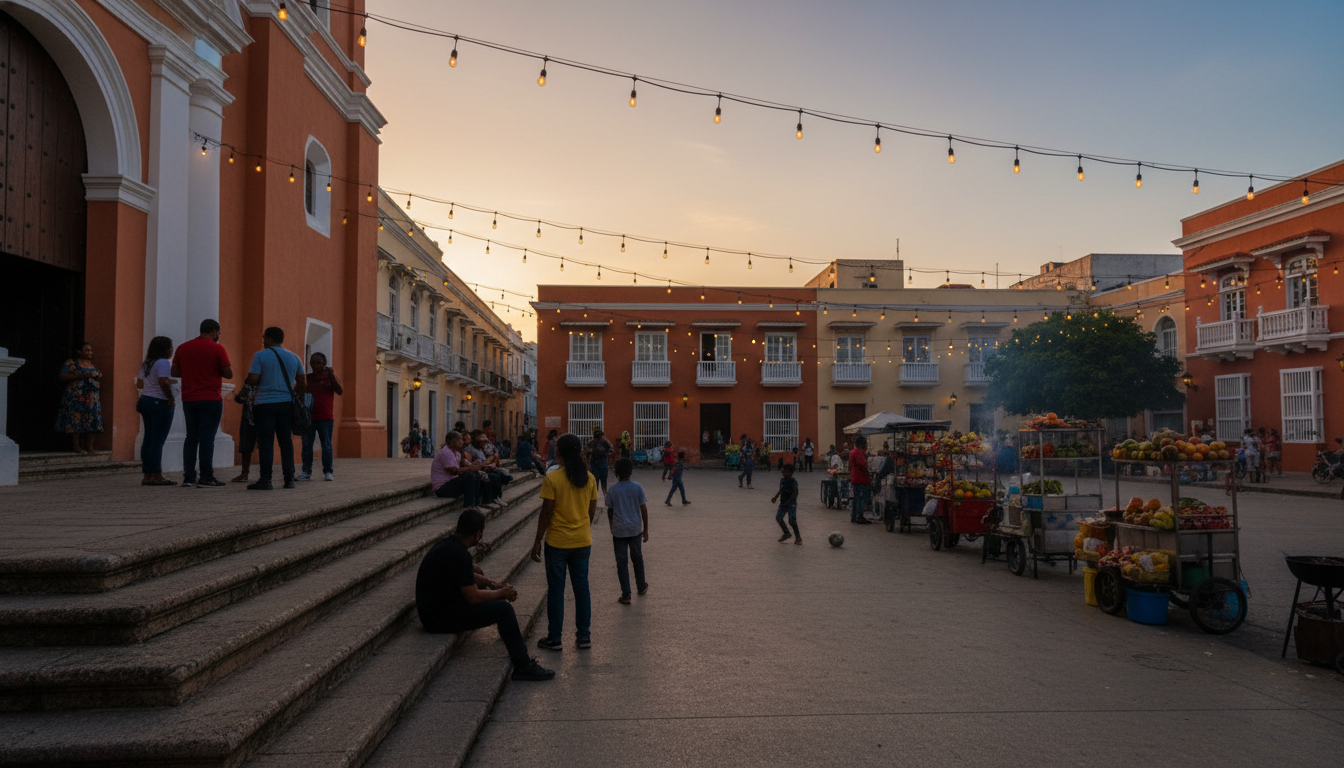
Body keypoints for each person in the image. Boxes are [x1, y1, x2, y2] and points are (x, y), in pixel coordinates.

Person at [416, 508, 555, 681]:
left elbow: (467, 574)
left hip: (434, 610)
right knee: (503, 610)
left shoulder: (448, 545)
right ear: (477, 534)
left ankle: (510, 637)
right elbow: (472, 597)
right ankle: (523, 666)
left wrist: (490, 583)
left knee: (493, 599)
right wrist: (500, 593)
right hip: (438, 619)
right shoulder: (459, 554)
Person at [531, 433, 599, 651]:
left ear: (558, 453)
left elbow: (546, 513)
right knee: (582, 589)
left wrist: (537, 541)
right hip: (582, 541)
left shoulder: (553, 479)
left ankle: (555, 638)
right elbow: (591, 511)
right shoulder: (589, 478)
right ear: (580, 451)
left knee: (556, 590)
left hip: (557, 543)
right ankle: (584, 636)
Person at [171, 319, 232, 488]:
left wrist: (192, 371)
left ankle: (189, 477)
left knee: (191, 437)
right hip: (211, 398)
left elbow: (174, 371)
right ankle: (206, 476)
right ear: (214, 331)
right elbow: (229, 373)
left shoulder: (183, 348)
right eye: (218, 333)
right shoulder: (218, 348)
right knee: (207, 438)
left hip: (189, 399)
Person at [244, 326, 305, 490]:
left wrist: (249, 382)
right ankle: (289, 479)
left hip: (264, 404)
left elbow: (253, 378)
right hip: (286, 404)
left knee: (266, 442)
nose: (263, 341)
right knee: (286, 441)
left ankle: (266, 479)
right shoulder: (295, 357)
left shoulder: (260, 355)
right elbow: (302, 383)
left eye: (264, 338)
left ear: (269, 339)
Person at [605, 458, 649, 605]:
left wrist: (612, 526)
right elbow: (643, 509)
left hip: (619, 531)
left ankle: (626, 594)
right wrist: (646, 528)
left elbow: (610, 511)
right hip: (635, 529)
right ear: (631, 471)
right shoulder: (637, 487)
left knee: (621, 562)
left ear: (616, 472)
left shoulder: (612, 490)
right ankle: (641, 586)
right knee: (637, 558)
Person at [135, 336, 177, 486]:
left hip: (145, 400)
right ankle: (157, 474)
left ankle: (147, 474)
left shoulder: (147, 363)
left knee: (148, 439)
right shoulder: (164, 362)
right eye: (170, 347)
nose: (172, 350)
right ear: (165, 349)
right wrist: (170, 398)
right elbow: (163, 381)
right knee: (158, 441)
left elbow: (140, 383)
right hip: (159, 402)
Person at [298, 352, 342, 482]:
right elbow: (298, 391)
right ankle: (306, 472)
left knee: (326, 445)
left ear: (324, 363)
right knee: (306, 445)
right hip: (308, 417)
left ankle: (328, 471)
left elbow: (340, 390)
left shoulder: (330, 377)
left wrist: (332, 375)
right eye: (312, 362)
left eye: (318, 362)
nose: (314, 365)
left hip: (326, 417)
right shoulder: (308, 378)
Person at [55, 341, 104, 454]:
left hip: (91, 398)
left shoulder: (92, 365)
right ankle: (76, 446)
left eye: (91, 350)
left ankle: (89, 447)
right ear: (79, 351)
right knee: (75, 420)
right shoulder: (72, 363)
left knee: (92, 420)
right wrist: (78, 375)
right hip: (76, 397)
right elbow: (62, 376)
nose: (90, 352)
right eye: (87, 350)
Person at [431, 431, 484, 507]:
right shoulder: (446, 452)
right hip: (441, 488)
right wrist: (473, 468)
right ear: (452, 441)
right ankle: (469, 506)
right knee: (470, 477)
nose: (462, 442)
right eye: (460, 440)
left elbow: (465, 465)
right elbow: (454, 471)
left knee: (476, 475)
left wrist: (475, 467)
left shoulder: (457, 453)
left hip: (450, 483)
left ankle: (476, 504)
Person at [231, 382, 258, 483]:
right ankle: (266, 473)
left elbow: (240, 398)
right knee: (266, 445)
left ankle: (244, 473)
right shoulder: (271, 378)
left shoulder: (250, 381)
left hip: (249, 417)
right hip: (266, 416)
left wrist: (236, 395)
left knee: (246, 446)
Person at [772, 462, 801, 544]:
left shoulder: (793, 481)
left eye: (786, 472)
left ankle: (798, 537)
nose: (784, 473)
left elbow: (796, 491)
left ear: (791, 473)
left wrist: (790, 500)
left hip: (791, 504)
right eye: (783, 472)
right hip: (783, 503)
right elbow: (781, 489)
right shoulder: (782, 480)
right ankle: (786, 533)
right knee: (778, 518)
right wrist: (776, 497)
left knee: (792, 521)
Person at [849, 435, 873, 524]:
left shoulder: (853, 452)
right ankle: (859, 516)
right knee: (860, 499)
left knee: (856, 498)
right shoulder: (858, 453)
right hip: (860, 479)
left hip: (855, 478)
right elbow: (863, 464)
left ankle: (854, 516)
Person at [587, 428, 614, 494]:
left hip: (594, 463)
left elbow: (587, 452)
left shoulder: (591, 443)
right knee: (603, 482)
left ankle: (594, 498)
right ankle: (605, 496)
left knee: (595, 482)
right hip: (603, 463)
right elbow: (611, 449)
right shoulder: (605, 442)